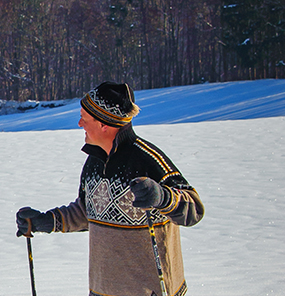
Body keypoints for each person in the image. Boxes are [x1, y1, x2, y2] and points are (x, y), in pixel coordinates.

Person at [15, 82, 204, 296]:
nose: (79, 124)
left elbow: (194, 209)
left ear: (104, 123)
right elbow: (88, 211)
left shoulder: (148, 160)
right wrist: (47, 221)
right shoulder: (94, 162)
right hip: (102, 290)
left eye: (85, 119)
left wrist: (162, 197)